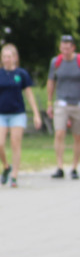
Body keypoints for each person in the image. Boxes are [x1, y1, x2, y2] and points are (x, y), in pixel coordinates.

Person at [0, 42, 42, 188]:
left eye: (9, 56)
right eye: (4, 57)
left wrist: (36, 113)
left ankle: (14, 175)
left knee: (16, 143)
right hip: (0, 114)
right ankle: (6, 166)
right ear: (1, 58)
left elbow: (29, 94)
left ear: (15, 58)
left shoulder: (21, 74)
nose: (7, 59)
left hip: (17, 113)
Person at [46, 34, 80, 180]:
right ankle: (60, 166)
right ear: (60, 48)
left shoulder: (78, 61)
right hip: (61, 103)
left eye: (68, 48)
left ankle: (74, 167)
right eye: (63, 48)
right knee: (59, 133)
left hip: (77, 103)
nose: (65, 51)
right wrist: (49, 102)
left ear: (73, 47)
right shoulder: (56, 62)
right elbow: (51, 82)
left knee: (77, 136)